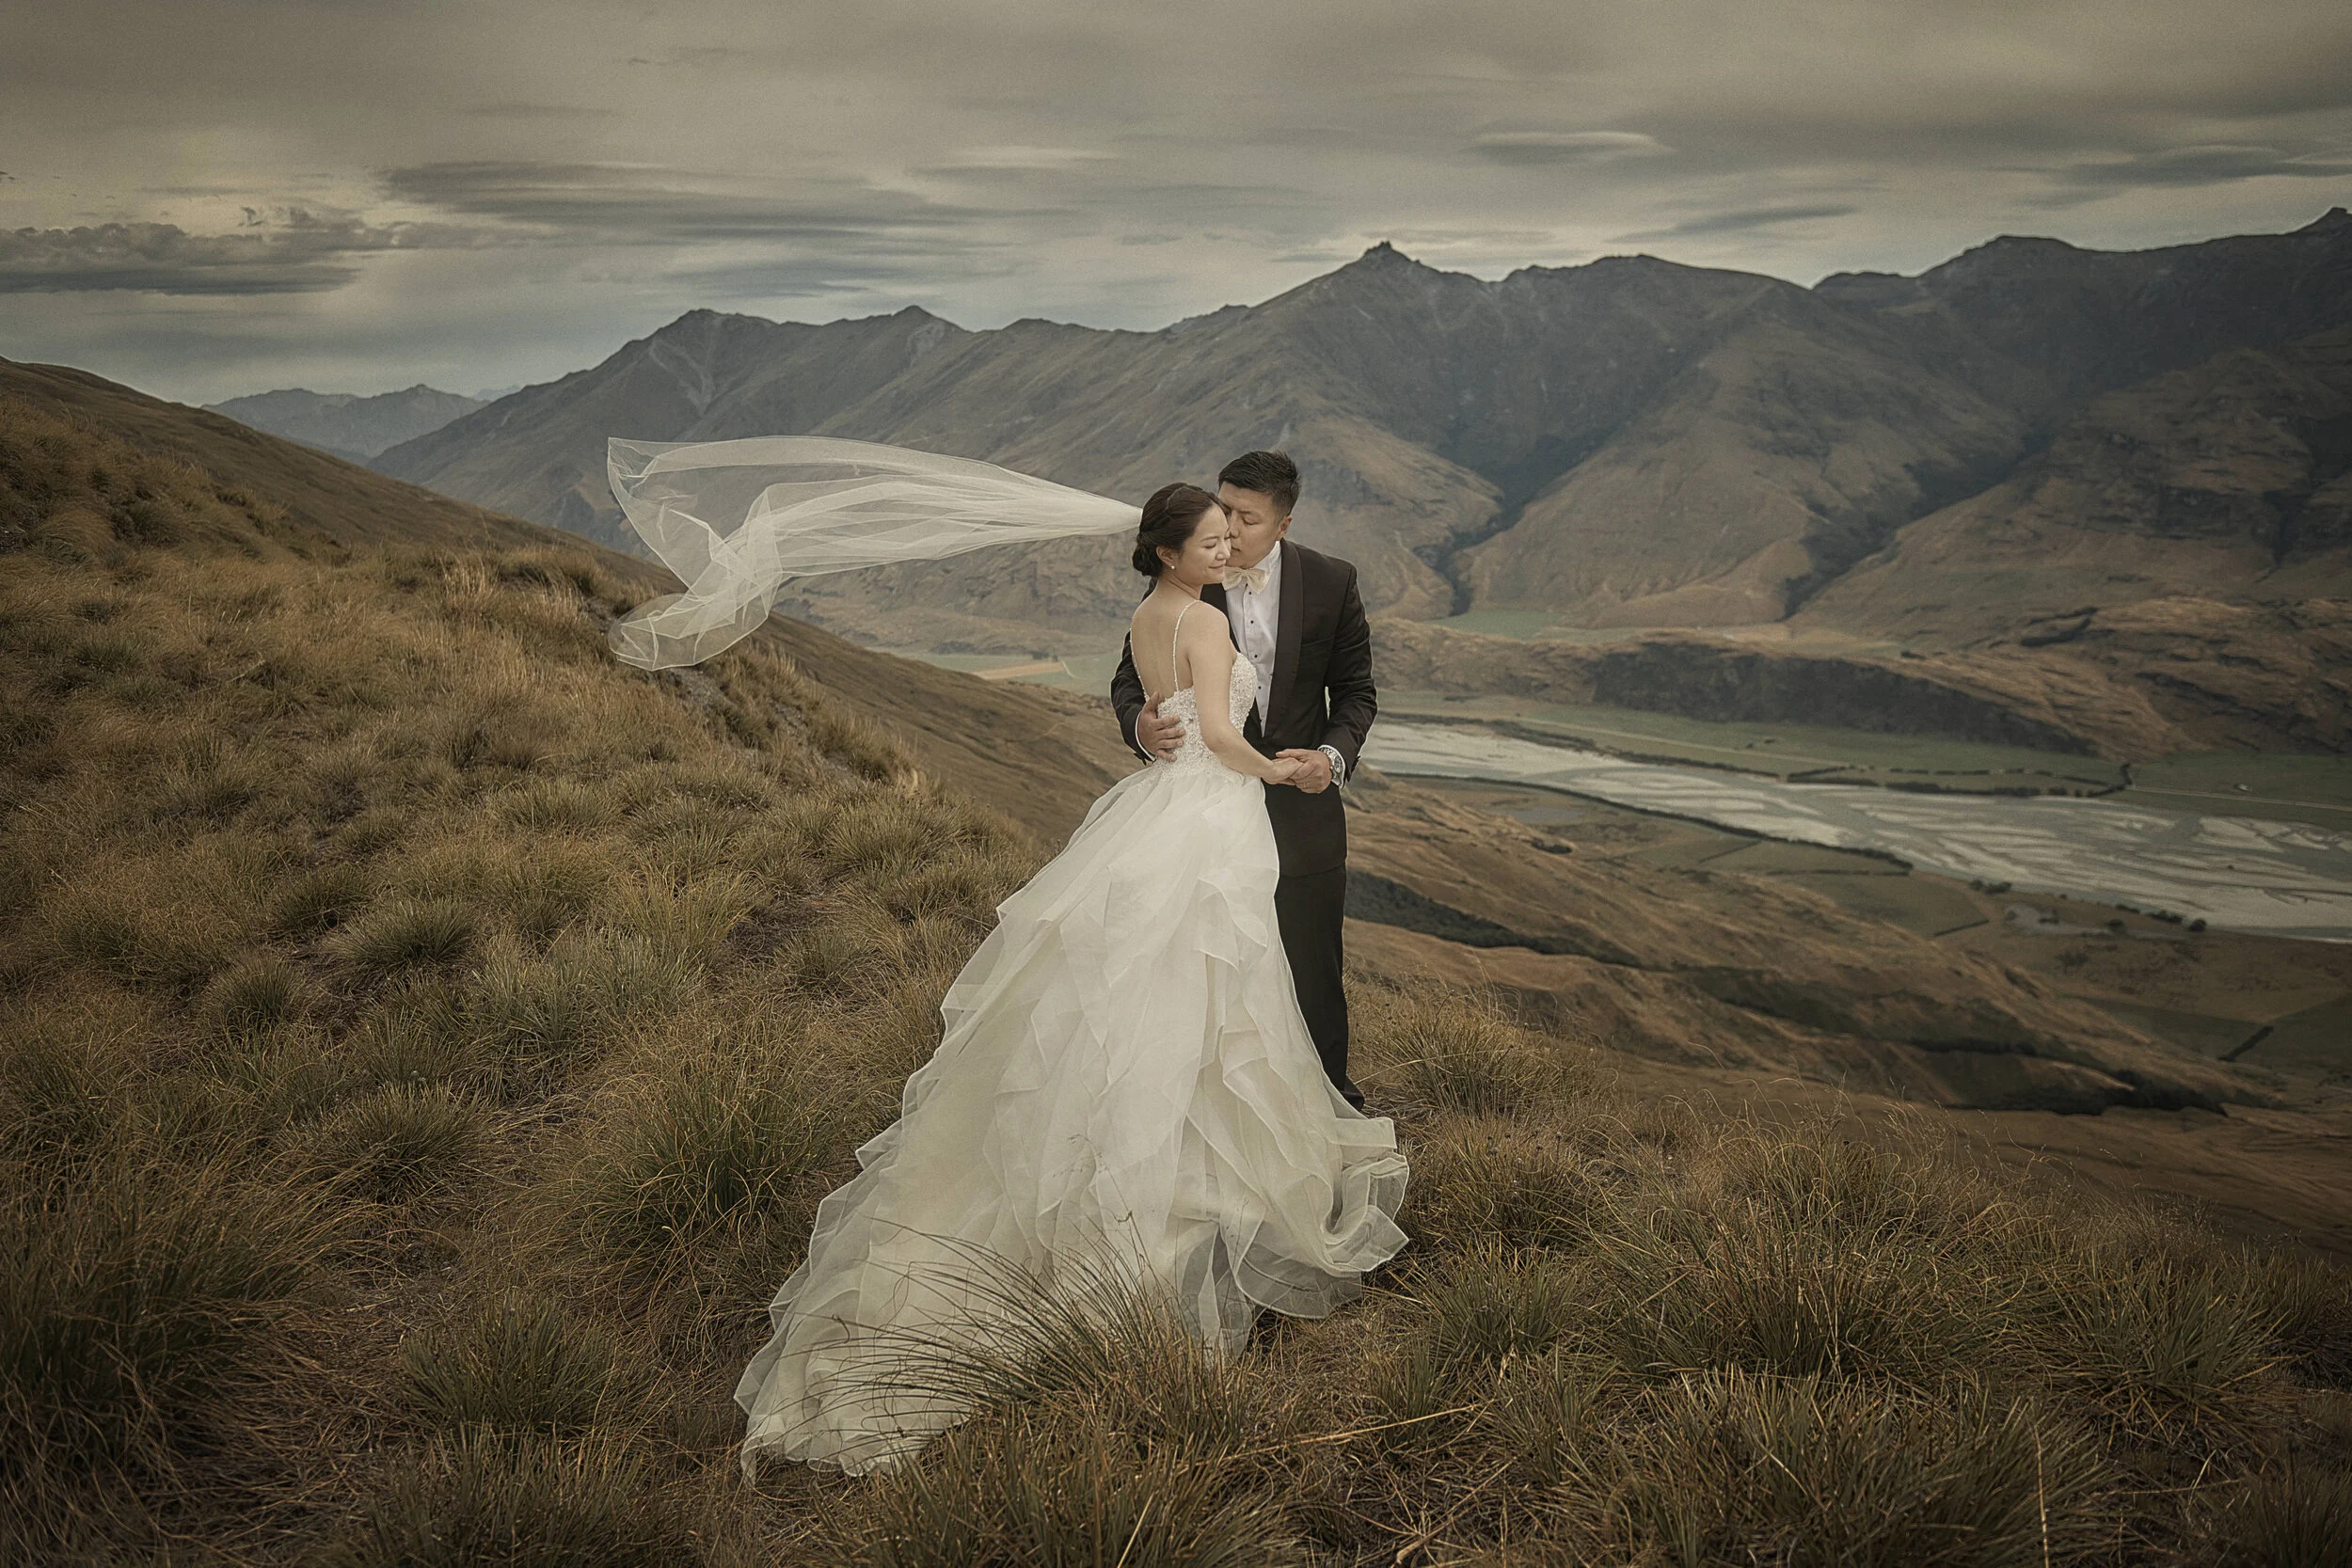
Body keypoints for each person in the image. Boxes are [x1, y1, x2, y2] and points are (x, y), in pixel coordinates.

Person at [731, 482, 1408, 1477]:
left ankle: (1163, 1159)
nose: (1227, 551)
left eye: (1234, 536)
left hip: (1160, 817)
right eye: (1213, 540)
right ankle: (1172, 1202)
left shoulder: (1151, 612)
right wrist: (1290, 772)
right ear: (1172, 549)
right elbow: (1218, 738)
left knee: (1157, 994)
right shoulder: (1209, 624)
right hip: (1213, 817)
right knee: (1206, 991)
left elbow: (1241, 695)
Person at [1113, 451, 1376, 1108]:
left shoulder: (1332, 580)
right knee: (1206, 979)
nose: (1227, 529)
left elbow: (1355, 693)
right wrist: (1141, 730)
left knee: (1311, 974)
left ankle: (1327, 1110)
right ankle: (1218, 1120)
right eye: (1222, 508)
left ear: (1283, 525)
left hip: (1302, 820)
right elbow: (1128, 681)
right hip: (1202, 822)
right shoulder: (1188, 581)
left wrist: (1330, 757)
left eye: (1246, 518)